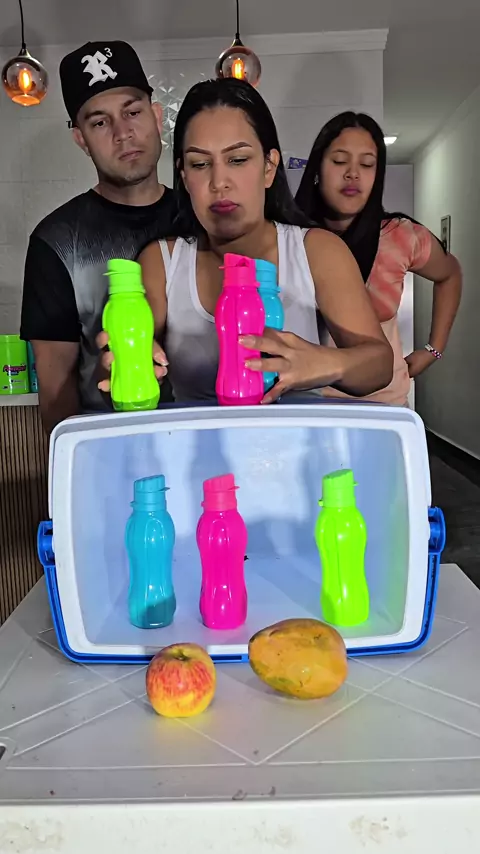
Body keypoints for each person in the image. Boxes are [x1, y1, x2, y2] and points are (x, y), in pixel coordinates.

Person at [99, 79, 393, 403]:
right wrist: (130, 358)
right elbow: (133, 350)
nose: (219, 182)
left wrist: (324, 362)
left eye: (237, 160)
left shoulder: (316, 251)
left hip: (300, 437)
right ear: (184, 176)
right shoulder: (161, 263)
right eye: (200, 164)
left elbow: (379, 364)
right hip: (197, 438)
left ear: (269, 167)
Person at [20, 41, 178, 434]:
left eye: (133, 112)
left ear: (157, 116)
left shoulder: (202, 219)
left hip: (211, 439)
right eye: (100, 123)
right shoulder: (57, 242)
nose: (123, 133)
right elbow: (55, 393)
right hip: (109, 447)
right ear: (81, 140)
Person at [295, 111, 462, 406]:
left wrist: (433, 349)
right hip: (301, 404)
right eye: (339, 161)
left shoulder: (400, 235)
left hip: (383, 406)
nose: (353, 173)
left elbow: (450, 274)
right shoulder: (286, 237)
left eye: (367, 164)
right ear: (317, 169)